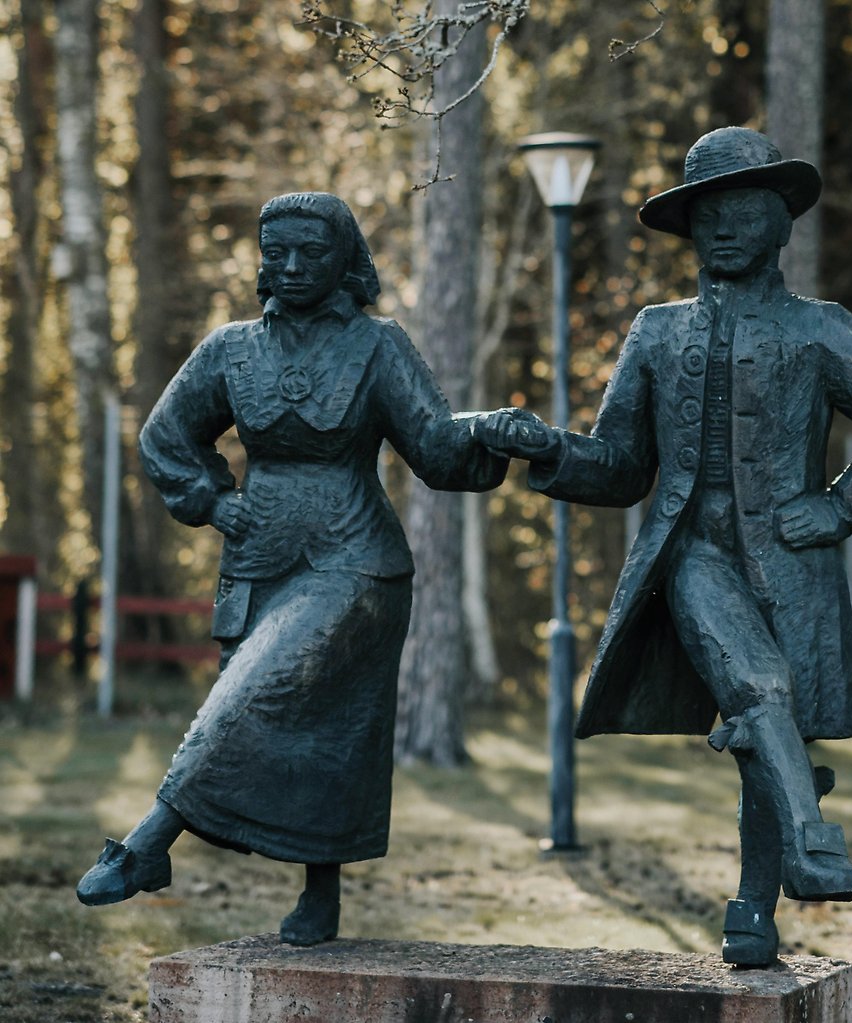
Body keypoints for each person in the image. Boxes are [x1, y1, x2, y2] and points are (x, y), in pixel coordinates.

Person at [474, 127, 852, 966]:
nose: (723, 229)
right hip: (692, 554)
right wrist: (548, 449)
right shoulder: (657, 333)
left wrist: (843, 507)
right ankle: (813, 833)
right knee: (760, 685)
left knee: (763, 738)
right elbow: (624, 466)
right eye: (707, 216)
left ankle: (754, 905)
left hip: (792, 565)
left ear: (781, 225)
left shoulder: (821, 330)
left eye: (743, 212)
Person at [76, 192, 508, 946]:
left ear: (346, 259)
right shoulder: (231, 348)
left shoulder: (378, 347)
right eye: (278, 251)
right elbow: (165, 436)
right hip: (261, 559)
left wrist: (493, 436)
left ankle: (148, 843)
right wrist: (214, 502)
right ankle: (321, 898)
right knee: (322, 731)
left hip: (358, 562)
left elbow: (436, 447)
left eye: (312, 251)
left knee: (257, 689)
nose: (294, 266)